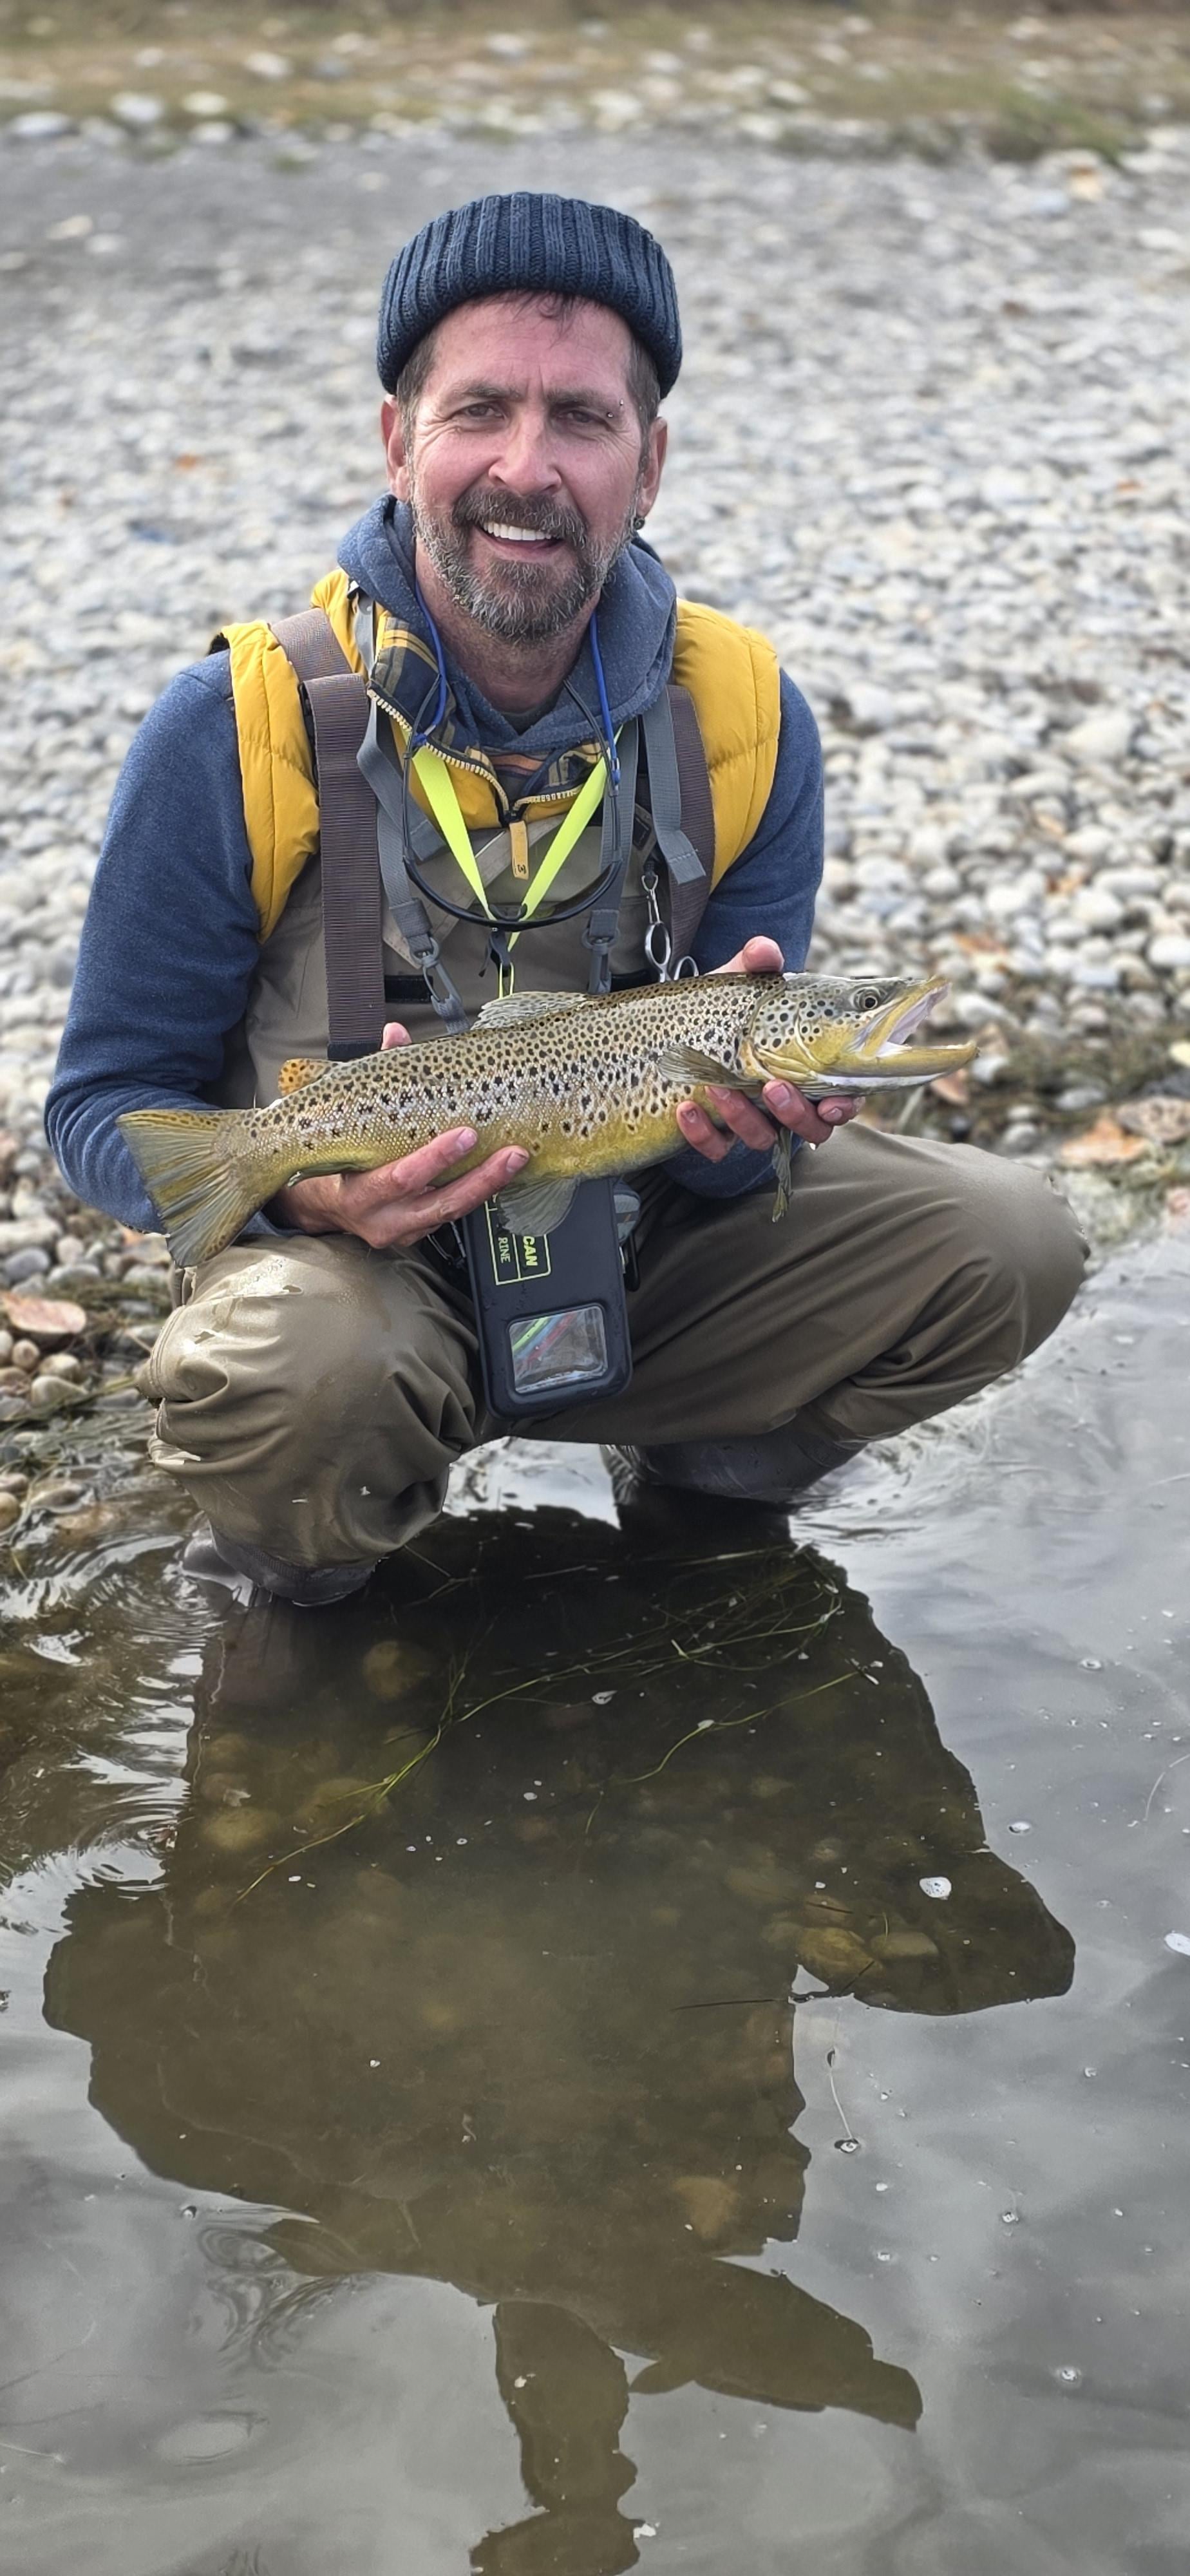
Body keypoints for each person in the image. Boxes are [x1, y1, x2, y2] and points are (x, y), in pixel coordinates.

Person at [46, 191, 1085, 1605]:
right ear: (398, 439)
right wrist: (303, 1191)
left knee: (1010, 1243)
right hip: (356, 1290)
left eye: (582, 421)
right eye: (480, 410)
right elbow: (104, 1109)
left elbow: (727, 1175)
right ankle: (305, 1564)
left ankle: (709, 1492)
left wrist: (743, 1145)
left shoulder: (745, 711)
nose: (525, 469)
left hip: (638, 1253)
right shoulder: (234, 723)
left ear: (649, 465)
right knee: (297, 1382)